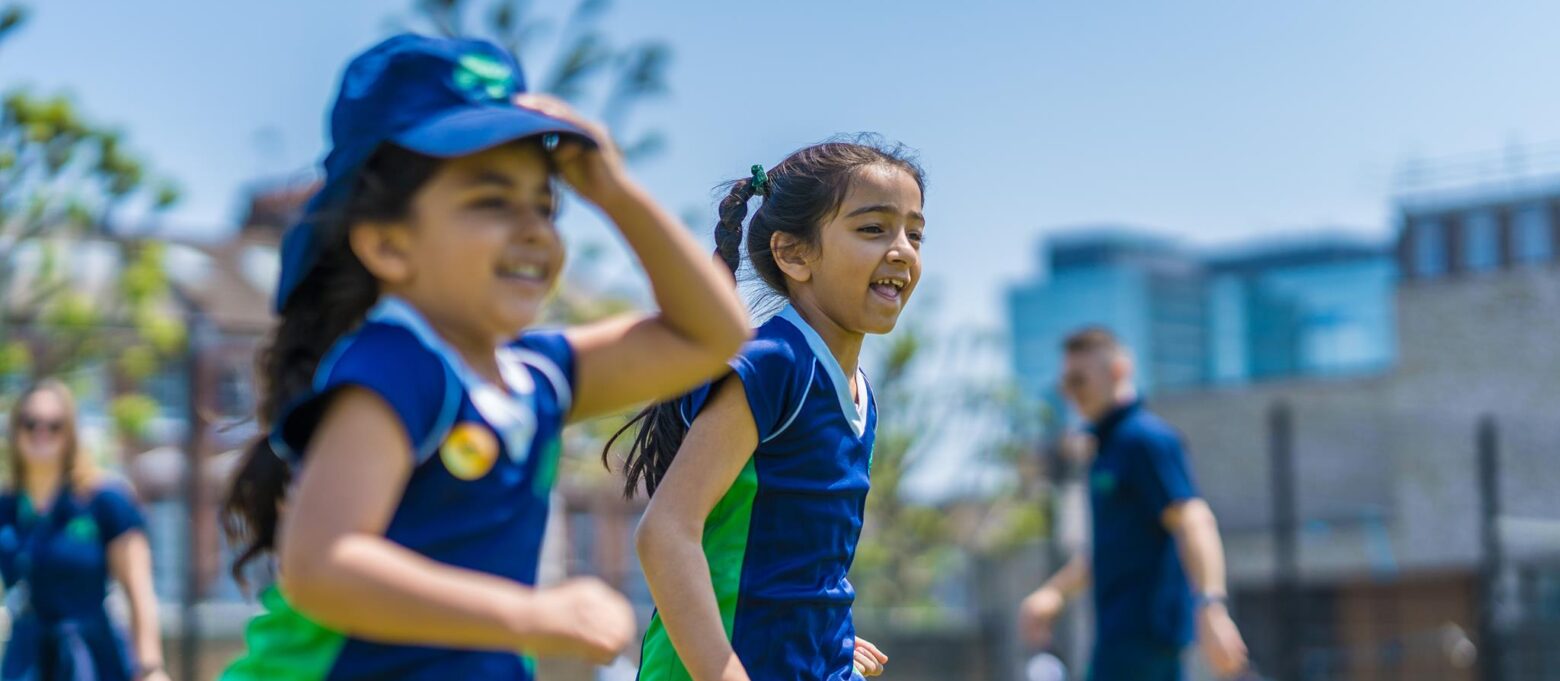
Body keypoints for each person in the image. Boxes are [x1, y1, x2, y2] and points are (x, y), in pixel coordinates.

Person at [219, 33, 749, 680]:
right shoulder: (395, 367)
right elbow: (322, 565)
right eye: (491, 201)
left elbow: (714, 335)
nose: (532, 229)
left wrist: (614, 189)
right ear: (388, 243)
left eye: (546, 205)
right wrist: (530, 615)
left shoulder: (536, 377)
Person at [612, 139, 925, 680]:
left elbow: (792, 566)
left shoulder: (858, 391)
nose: (901, 250)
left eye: (914, 233)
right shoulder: (775, 364)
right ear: (793, 254)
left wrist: (825, 638)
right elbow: (665, 532)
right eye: (873, 228)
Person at [1019, 327, 1249, 681]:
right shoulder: (1107, 447)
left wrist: (1210, 607)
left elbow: (1193, 519)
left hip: (1144, 635)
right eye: (1066, 383)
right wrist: (1054, 592)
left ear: (1119, 371)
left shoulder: (1144, 440)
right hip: (1118, 636)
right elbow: (1114, 548)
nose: (1071, 392)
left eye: (1080, 380)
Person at [0, 378, 168, 681]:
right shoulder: (6, 506)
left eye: (54, 425)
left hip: (92, 653)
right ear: (15, 430)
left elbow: (139, 590)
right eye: (30, 423)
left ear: (71, 434)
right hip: (26, 656)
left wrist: (150, 667)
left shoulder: (106, 500)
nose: (41, 433)